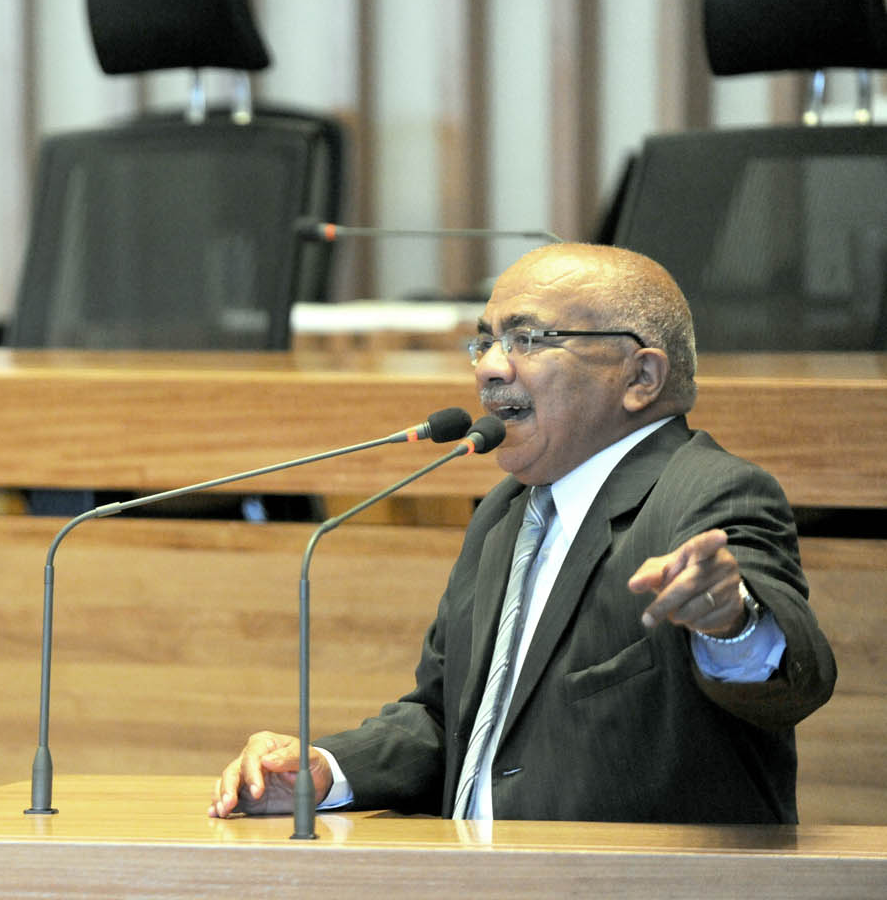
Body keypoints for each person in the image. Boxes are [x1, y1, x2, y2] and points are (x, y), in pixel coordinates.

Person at [210, 243, 836, 825]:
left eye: (528, 339)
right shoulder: (507, 513)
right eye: (484, 341)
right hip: (484, 886)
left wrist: (732, 623)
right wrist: (327, 769)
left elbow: (794, 680)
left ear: (640, 377)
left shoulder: (710, 491)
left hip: (637, 897)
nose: (488, 367)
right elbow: (448, 720)